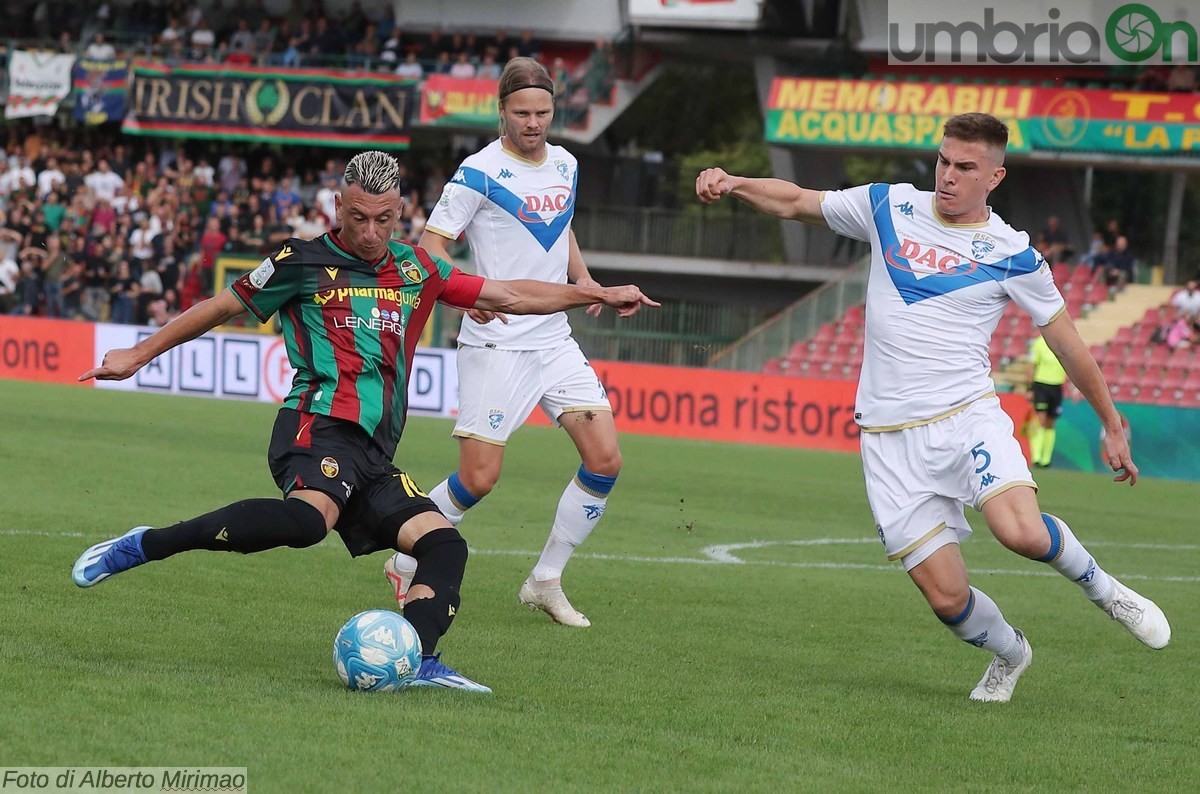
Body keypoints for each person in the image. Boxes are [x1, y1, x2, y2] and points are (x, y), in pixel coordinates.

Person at [70, 150, 657, 693]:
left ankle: (418, 658)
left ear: (399, 211)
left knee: (445, 546)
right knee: (307, 523)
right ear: (337, 207)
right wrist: (136, 354)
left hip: (375, 453)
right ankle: (145, 545)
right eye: (358, 218)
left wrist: (594, 293)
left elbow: (510, 294)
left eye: (383, 219)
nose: (371, 233)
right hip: (315, 426)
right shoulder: (299, 262)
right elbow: (220, 307)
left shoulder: (417, 268)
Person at [695, 112, 1170, 703]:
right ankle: (1010, 652)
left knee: (1018, 531)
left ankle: (1105, 591)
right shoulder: (889, 206)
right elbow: (796, 200)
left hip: (966, 416)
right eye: (944, 161)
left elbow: (1065, 339)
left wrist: (1111, 423)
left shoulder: (1012, 253)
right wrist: (735, 182)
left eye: (965, 167)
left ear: (994, 176)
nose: (948, 176)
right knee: (947, 599)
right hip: (888, 438)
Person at [383, 58, 615, 629]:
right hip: (497, 343)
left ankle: (545, 580)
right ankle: (403, 554)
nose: (533, 123)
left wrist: (581, 281)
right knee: (480, 478)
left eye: (542, 112)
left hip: (554, 339)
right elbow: (429, 248)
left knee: (604, 459)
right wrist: (469, 295)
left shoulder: (566, 162)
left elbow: (562, 228)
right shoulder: (478, 172)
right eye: (521, 113)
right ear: (502, 111)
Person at [1026, 334, 1067, 468]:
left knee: (1050, 423)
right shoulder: (1038, 343)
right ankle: (1036, 457)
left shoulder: (1062, 342)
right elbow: (1031, 366)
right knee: (1040, 420)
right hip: (1041, 385)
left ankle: (1046, 459)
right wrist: (1030, 388)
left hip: (1056, 386)